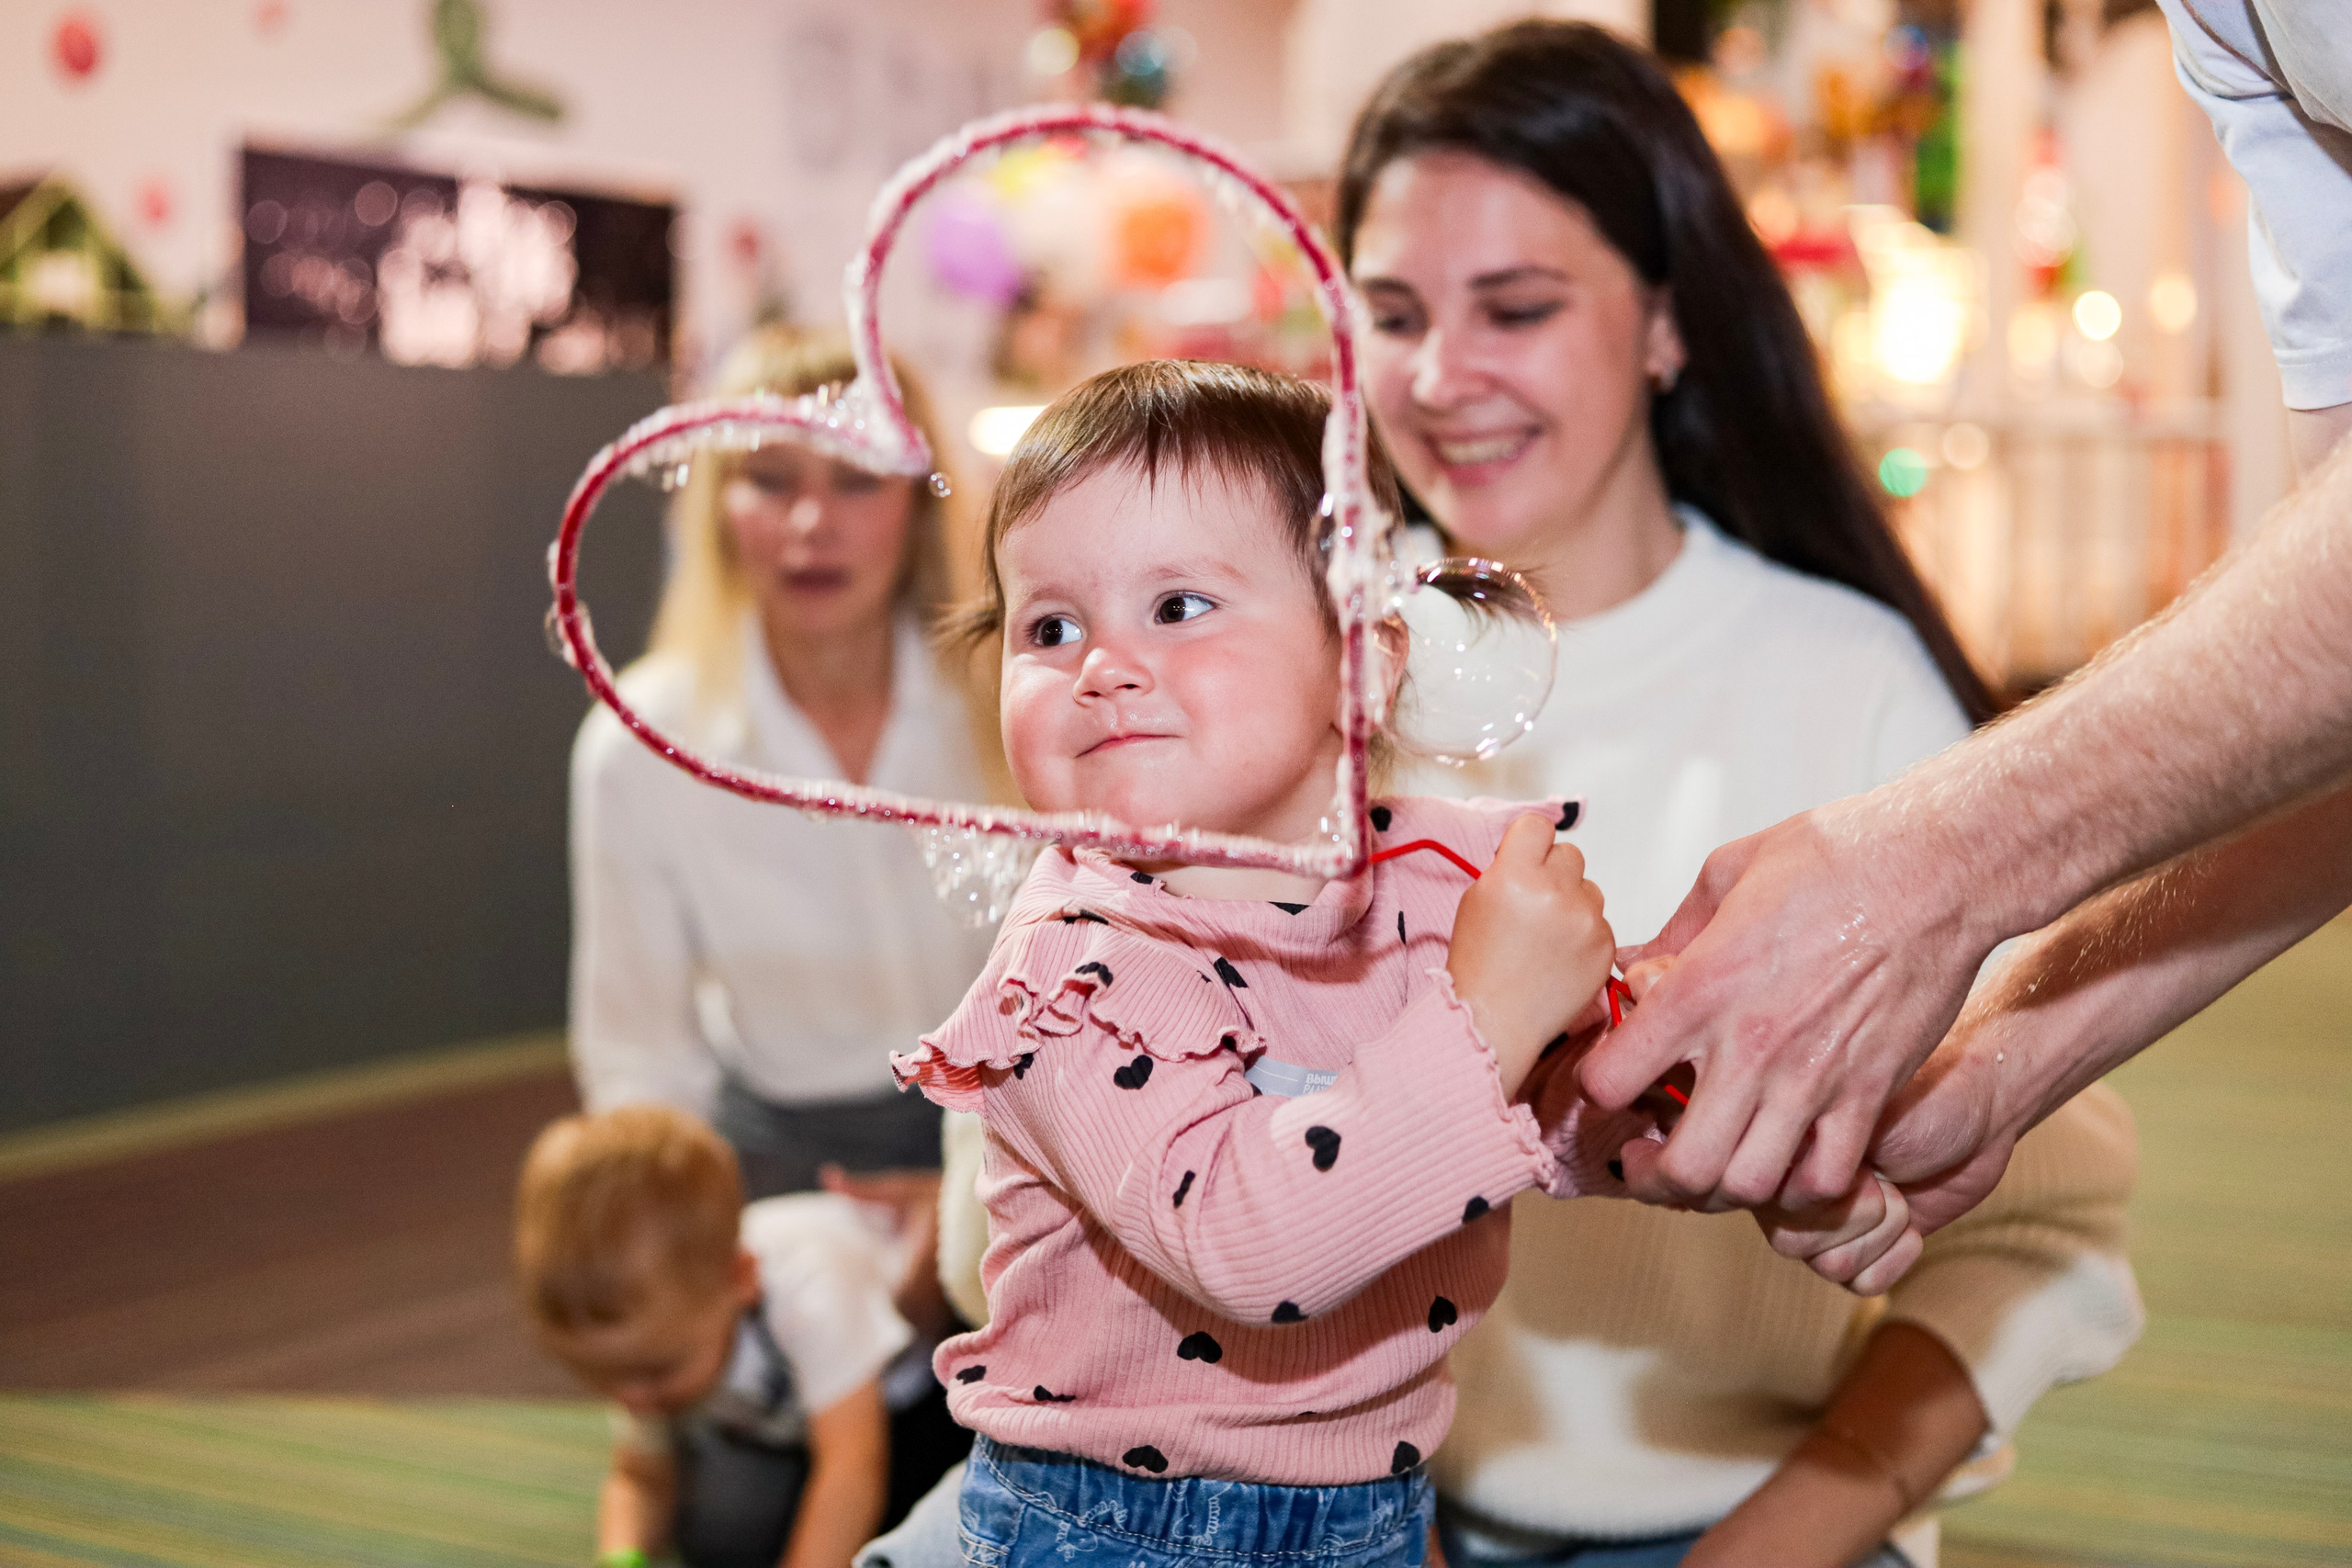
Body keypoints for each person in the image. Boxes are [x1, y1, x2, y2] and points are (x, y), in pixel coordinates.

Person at [1334, 22, 2143, 1566]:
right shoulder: (1315, 686)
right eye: (1391, 312)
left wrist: (1783, 1533)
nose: (1440, 380)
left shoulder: (1849, 689)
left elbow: (2049, 1223)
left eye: (1516, 307)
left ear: (1662, 322)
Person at [892, 358, 1646, 1568]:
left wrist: (1671, 1106)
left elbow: (1538, 1123)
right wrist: (1498, 1013)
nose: (1099, 663)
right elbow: (1255, 1245)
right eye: (1050, 623)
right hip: (1114, 1525)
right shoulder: (1076, 971)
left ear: (1367, 661)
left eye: (1178, 605)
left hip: (1370, 1501)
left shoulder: (1436, 896)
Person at [567, 327, 998, 1199]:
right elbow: (638, 1052)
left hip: (1013, 1147)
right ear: (718, 505)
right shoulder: (644, 742)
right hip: (775, 1164)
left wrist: (983, 1196)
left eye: (857, 479)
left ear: (915, 503)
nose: (813, 523)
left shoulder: (1004, 709)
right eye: (771, 479)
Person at [516, 1105, 910, 1568]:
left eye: (655, 1372)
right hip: (790, 1425)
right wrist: (624, 1557)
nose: (633, 1398)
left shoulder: (809, 1291)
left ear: (741, 1278)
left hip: (910, 1408)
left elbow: (852, 1470)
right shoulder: (654, 1347)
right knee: (720, 1539)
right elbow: (639, 1475)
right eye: (600, 1377)